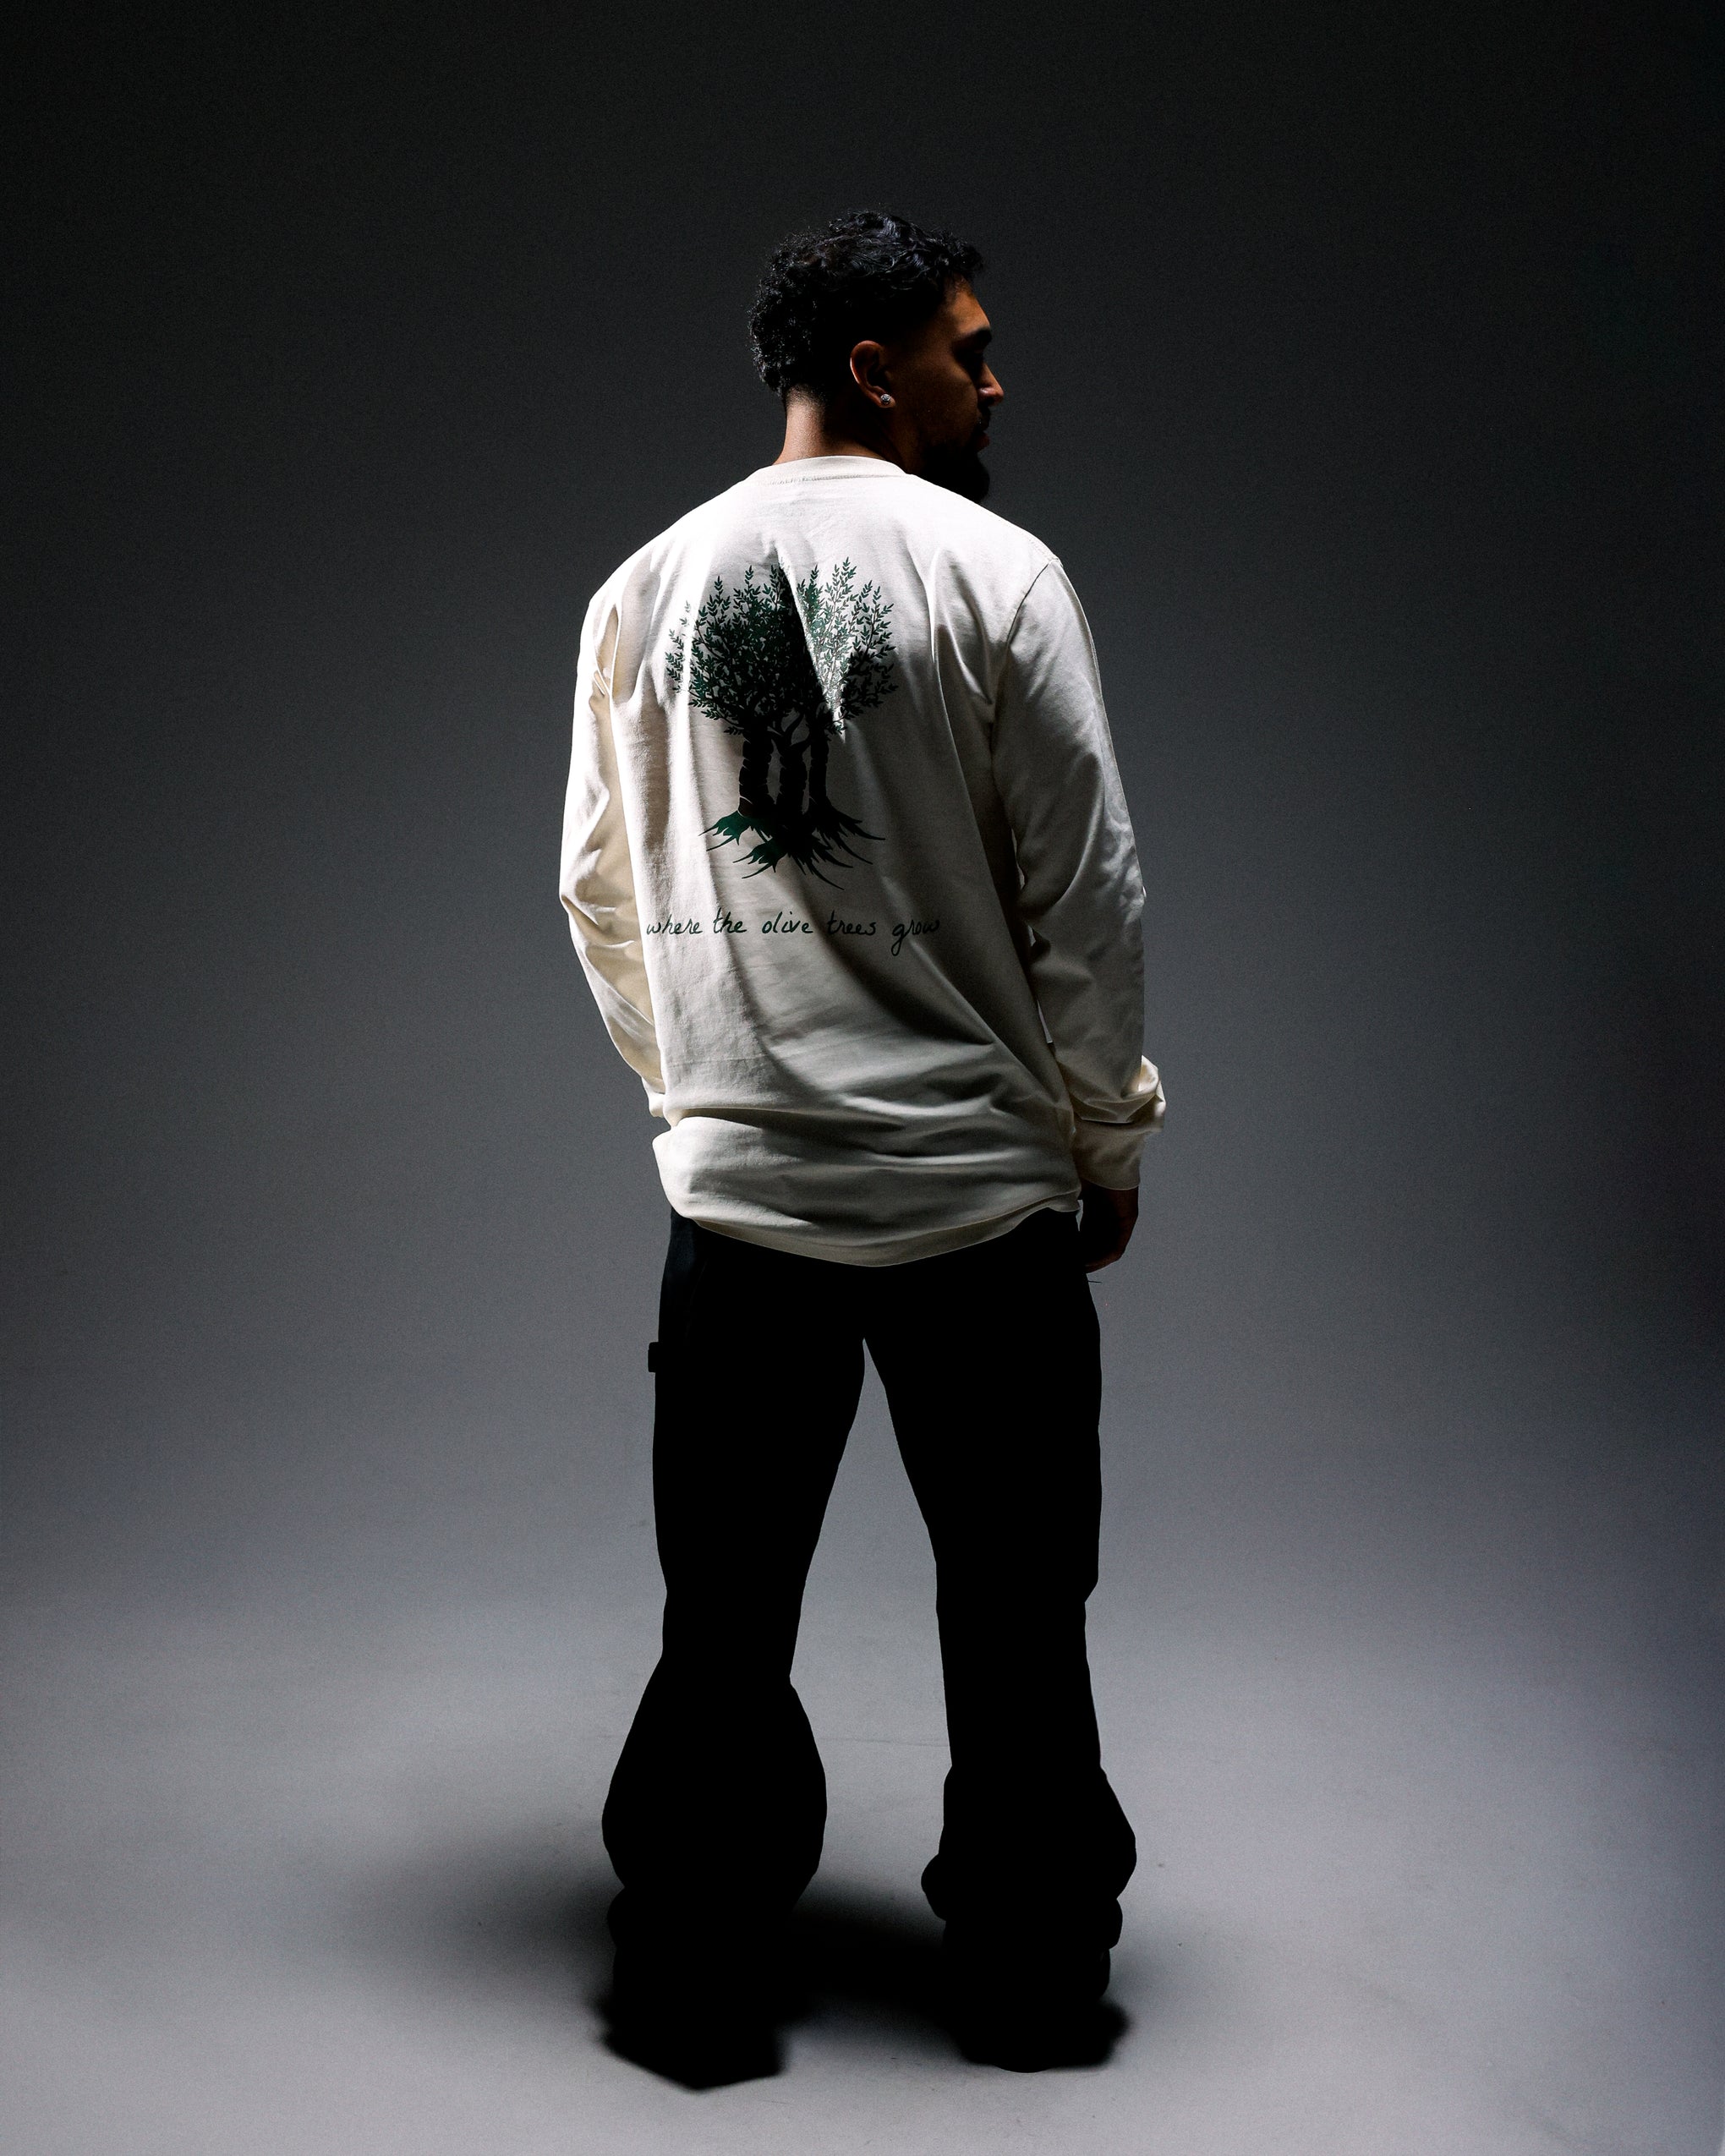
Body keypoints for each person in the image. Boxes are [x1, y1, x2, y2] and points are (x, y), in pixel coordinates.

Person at [559, 210, 1164, 2085]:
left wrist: (703, 1096)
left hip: (744, 1207)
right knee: (1018, 1612)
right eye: (968, 350)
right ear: (871, 365)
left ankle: (692, 1968)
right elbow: (1088, 893)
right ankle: (1035, 1971)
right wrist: (1106, 1134)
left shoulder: (647, 584)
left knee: (724, 1619)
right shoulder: (998, 574)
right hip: (978, 1200)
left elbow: (595, 890)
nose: (996, 381)